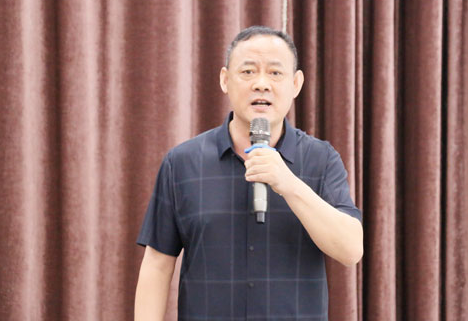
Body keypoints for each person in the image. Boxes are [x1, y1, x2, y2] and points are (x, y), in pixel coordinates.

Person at [134, 26, 363, 320]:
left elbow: (350, 250)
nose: (261, 84)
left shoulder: (321, 160)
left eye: (275, 73)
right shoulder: (182, 163)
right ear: (225, 80)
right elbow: (157, 265)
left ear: (296, 84)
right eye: (248, 72)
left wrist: (288, 184)